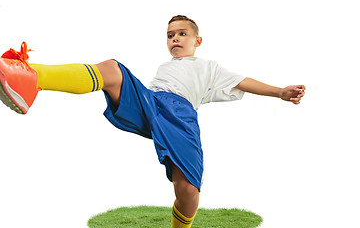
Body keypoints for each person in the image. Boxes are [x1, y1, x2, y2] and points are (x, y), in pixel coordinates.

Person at [0, 15, 305, 228]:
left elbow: (243, 81)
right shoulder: (165, 66)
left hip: (180, 116)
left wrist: (279, 92)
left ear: (197, 40)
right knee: (112, 69)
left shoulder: (208, 67)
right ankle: (27, 75)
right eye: (170, 35)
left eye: (182, 34)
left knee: (187, 191)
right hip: (151, 101)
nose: (175, 39)